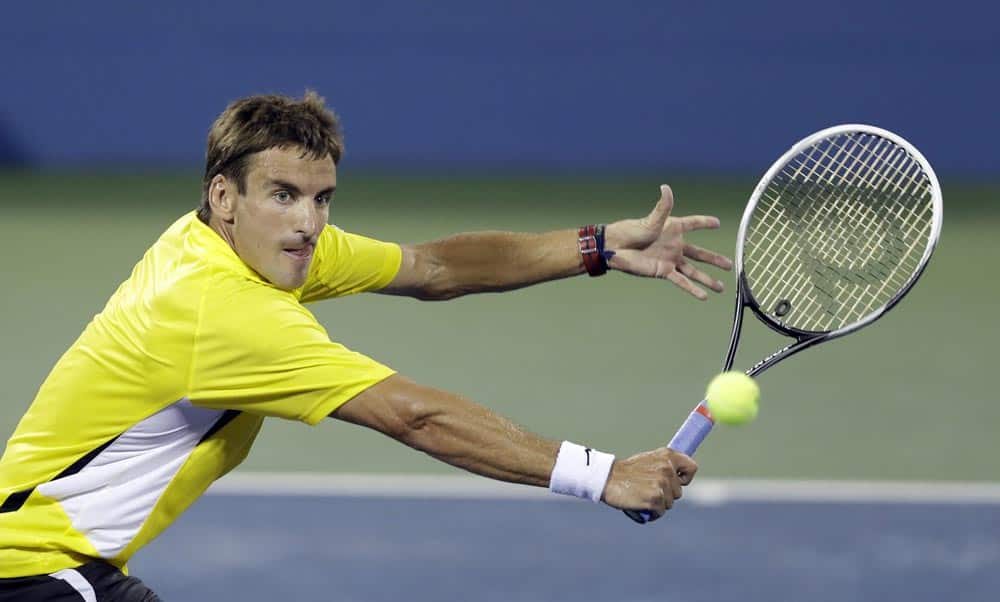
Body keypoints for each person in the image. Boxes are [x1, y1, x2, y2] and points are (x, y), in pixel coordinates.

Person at [0, 91, 733, 601]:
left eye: (322, 198)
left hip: (63, 568)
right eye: (283, 194)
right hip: (33, 575)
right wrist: (602, 475)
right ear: (224, 197)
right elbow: (412, 415)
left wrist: (595, 246)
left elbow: (436, 268)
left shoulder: (230, 246)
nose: (308, 222)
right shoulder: (220, 311)